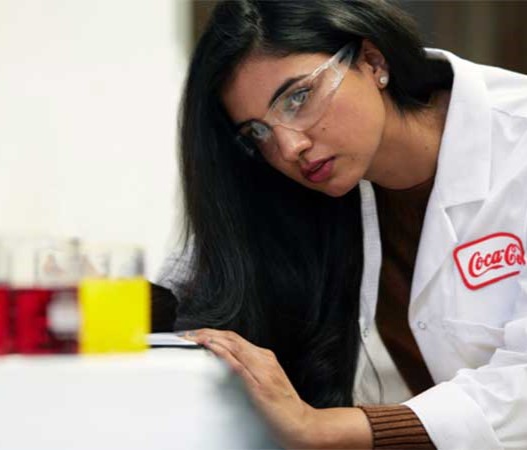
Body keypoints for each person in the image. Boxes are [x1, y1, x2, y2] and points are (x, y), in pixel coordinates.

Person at [156, 1, 527, 448]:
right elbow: (192, 296)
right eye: (257, 131)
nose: (289, 147)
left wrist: (317, 428)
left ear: (373, 61)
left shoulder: (516, 141)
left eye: (298, 98)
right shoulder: (289, 188)